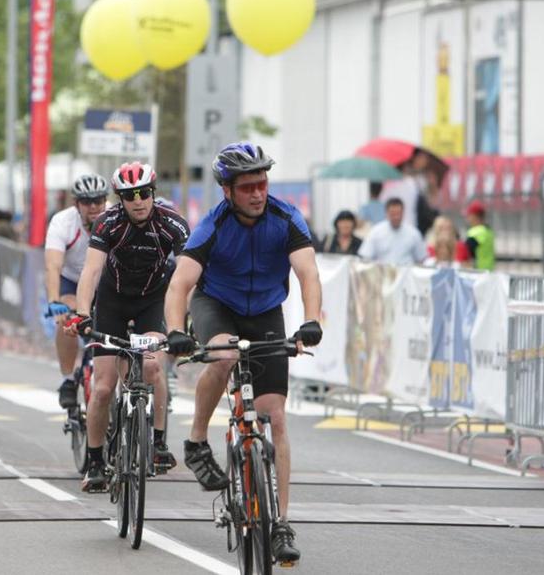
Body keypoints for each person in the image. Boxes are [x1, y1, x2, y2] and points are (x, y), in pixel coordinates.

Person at [163, 142, 322, 566]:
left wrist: (311, 320)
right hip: (216, 304)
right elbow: (180, 285)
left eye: (262, 184)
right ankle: (197, 441)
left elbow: (308, 272)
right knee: (224, 355)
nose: (258, 193)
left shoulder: (286, 218)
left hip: (265, 310)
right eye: (248, 187)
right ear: (227, 191)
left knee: (276, 417)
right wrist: (176, 330)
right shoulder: (212, 225)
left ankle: (281, 522)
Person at [64, 162, 189, 492]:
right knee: (104, 387)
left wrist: (183, 323)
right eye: (130, 195)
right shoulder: (108, 223)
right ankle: (95, 461)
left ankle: (158, 442)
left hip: (152, 301)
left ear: (153, 193)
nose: (138, 201)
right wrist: (82, 313)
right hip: (112, 303)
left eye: (144, 193)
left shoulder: (172, 223)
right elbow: (91, 271)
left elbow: (188, 275)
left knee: (152, 367)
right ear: (120, 199)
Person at [44, 174, 109, 409]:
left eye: (98, 201)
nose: (93, 207)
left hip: (105, 282)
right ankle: (68, 379)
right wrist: (54, 301)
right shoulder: (63, 222)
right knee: (67, 319)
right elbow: (53, 266)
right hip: (71, 280)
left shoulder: (115, 218)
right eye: (87, 202)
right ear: (76, 204)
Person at [358, 198, 427, 266]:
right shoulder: (375, 232)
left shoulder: (414, 233)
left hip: (407, 271)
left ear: (403, 213)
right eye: (393, 214)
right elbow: (365, 257)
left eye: (398, 214)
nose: (396, 217)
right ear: (386, 213)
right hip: (383, 271)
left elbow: (421, 259)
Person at [464, 200, 496, 271]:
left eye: (469, 215)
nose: (467, 218)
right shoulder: (488, 231)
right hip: (488, 269)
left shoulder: (477, 232)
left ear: (475, 216)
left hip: (478, 271)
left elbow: (465, 251)